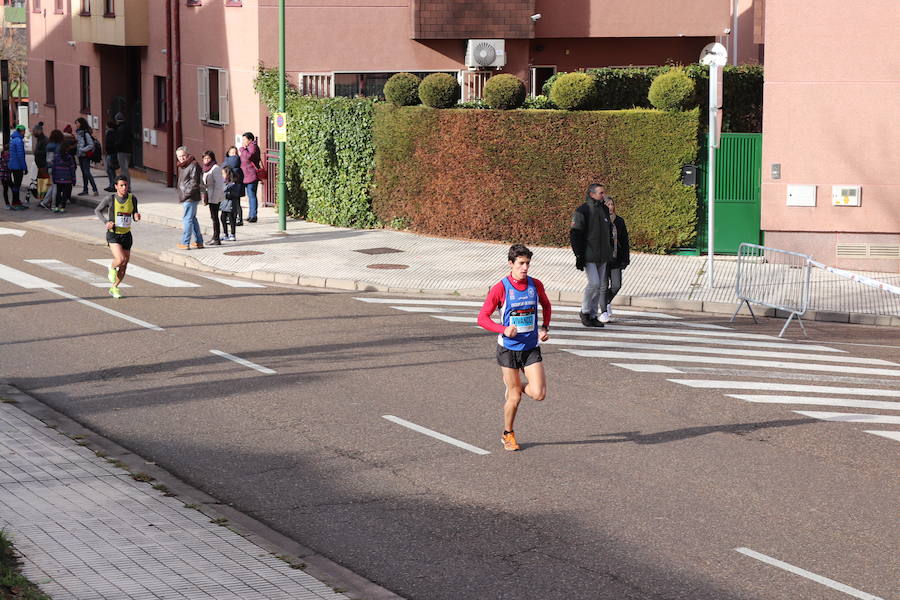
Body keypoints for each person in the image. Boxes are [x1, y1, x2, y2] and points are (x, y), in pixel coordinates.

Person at [477, 244, 552, 451]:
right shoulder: (500, 288)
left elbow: (546, 305)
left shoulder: (535, 285)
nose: (525, 267)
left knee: (539, 393)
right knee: (515, 397)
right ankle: (508, 433)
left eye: (527, 263)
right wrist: (502, 329)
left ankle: (514, 385)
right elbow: (482, 318)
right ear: (511, 264)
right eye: (521, 263)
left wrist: (544, 327)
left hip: (530, 347)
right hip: (508, 349)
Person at [570, 182, 613, 328]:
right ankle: (585, 311)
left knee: (600, 285)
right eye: (600, 193)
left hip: (603, 254)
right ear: (592, 194)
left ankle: (593, 315)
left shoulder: (604, 210)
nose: (603, 195)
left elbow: (608, 232)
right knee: (594, 283)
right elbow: (575, 233)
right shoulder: (583, 210)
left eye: (603, 193)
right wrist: (579, 255)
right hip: (589, 254)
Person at [94, 176, 140, 299]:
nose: (124, 187)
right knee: (120, 259)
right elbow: (97, 210)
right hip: (113, 234)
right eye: (121, 185)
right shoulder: (110, 198)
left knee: (124, 264)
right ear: (116, 186)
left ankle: (114, 287)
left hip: (126, 235)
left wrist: (136, 216)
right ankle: (111, 266)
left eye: (126, 185)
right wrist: (106, 222)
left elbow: (134, 213)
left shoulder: (132, 198)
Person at [600, 196, 630, 323]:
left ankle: (605, 302)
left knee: (617, 285)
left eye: (612, 204)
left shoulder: (619, 221)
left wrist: (626, 259)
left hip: (616, 258)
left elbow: (625, 241)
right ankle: (603, 312)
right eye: (607, 205)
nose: (610, 207)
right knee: (604, 286)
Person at [175, 146, 204, 249]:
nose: (181, 158)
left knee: (187, 219)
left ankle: (185, 242)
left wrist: (185, 194)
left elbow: (194, 183)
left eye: (183, 155)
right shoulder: (182, 166)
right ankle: (199, 241)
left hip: (190, 196)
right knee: (192, 218)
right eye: (179, 156)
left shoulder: (193, 165)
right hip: (187, 196)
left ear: (187, 155)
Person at [201, 150, 223, 245]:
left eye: (208, 158)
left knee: (215, 217)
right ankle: (214, 237)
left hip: (215, 196)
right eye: (205, 158)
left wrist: (215, 198)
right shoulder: (206, 168)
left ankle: (216, 238)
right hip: (209, 195)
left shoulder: (215, 168)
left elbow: (219, 184)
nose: (206, 160)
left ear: (212, 159)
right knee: (213, 217)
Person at [238, 132, 261, 223]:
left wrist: (242, 149)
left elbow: (249, 156)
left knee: (251, 195)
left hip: (251, 174)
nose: (243, 141)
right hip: (247, 175)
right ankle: (251, 214)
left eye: (244, 139)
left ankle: (253, 215)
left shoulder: (253, 146)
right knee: (250, 195)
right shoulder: (249, 147)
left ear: (250, 139)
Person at [40, 129, 64, 209]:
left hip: (49, 167)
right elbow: (58, 158)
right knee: (55, 187)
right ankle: (53, 205)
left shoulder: (48, 146)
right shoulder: (58, 146)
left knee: (52, 186)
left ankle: (45, 202)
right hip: (56, 168)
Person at [51, 138, 77, 213]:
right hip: (67, 178)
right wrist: (74, 179)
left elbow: (53, 168)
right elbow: (72, 169)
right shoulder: (69, 157)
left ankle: (56, 207)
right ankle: (62, 207)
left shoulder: (56, 157)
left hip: (58, 178)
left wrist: (54, 178)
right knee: (65, 193)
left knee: (58, 192)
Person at [75, 117, 99, 196]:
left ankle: (95, 189)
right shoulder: (78, 133)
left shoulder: (85, 133)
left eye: (77, 123)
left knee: (87, 172)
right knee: (84, 173)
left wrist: (82, 149)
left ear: (81, 124)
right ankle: (85, 190)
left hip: (85, 155)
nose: (76, 125)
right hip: (80, 155)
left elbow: (91, 144)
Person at [8, 124, 28, 210]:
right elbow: (20, 156)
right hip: (18, 166)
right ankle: (15, 202)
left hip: (12, 165)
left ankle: (16, 201)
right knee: (17, 185)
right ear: (21, 131)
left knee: (16, 185)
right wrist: (25, 167)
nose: (24, 133)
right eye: (24, 131)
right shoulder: (19, 141)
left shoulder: (12, 140)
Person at [223, 145, 244, 226]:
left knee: (236, 203)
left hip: (234, 187)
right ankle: (237, 218)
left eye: (235, 153)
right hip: (233, 187)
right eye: (232, 153)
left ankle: (237, 218)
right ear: (228, 153)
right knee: (234, 203)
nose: (234, 155)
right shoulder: (237, 165)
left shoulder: (230, 164)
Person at [220, 166, 239, 241]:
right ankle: (225, 234)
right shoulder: (224, 182)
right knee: (222, 218)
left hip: (230, 204)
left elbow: (235, 195)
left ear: (228, 174)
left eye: (223, 174)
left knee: (231, 219)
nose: (222, 175)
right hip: (224, 204)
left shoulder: (233, 183)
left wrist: (225, 195)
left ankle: (233, 234)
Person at [32, 123, 50, 200]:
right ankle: (42, 198)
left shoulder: (45, 140)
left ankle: (45, 199)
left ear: (39, 131)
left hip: (44, 165)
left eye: (34, 131)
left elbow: (46, 152)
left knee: (44, 183)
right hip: (40, 166)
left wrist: (37, 153)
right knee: (41, 183)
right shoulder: (40, 139)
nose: (33, 133)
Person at [113, 112, 131, 185]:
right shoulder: (127, 126)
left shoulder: (120, 129)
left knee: (124, 169)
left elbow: (120, 141)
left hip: (122, 151)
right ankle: (127, 185)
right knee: (125, 168)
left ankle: (126, 185)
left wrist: (115, 146)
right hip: (128, 150)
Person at [103, 119, 119, 192]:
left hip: (111, 153)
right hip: (110, 153)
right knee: (110, 170)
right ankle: (111, 185)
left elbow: (109, 144)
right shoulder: (113, 133)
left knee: (110, 170)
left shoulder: (110, 133)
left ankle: (113, 185)